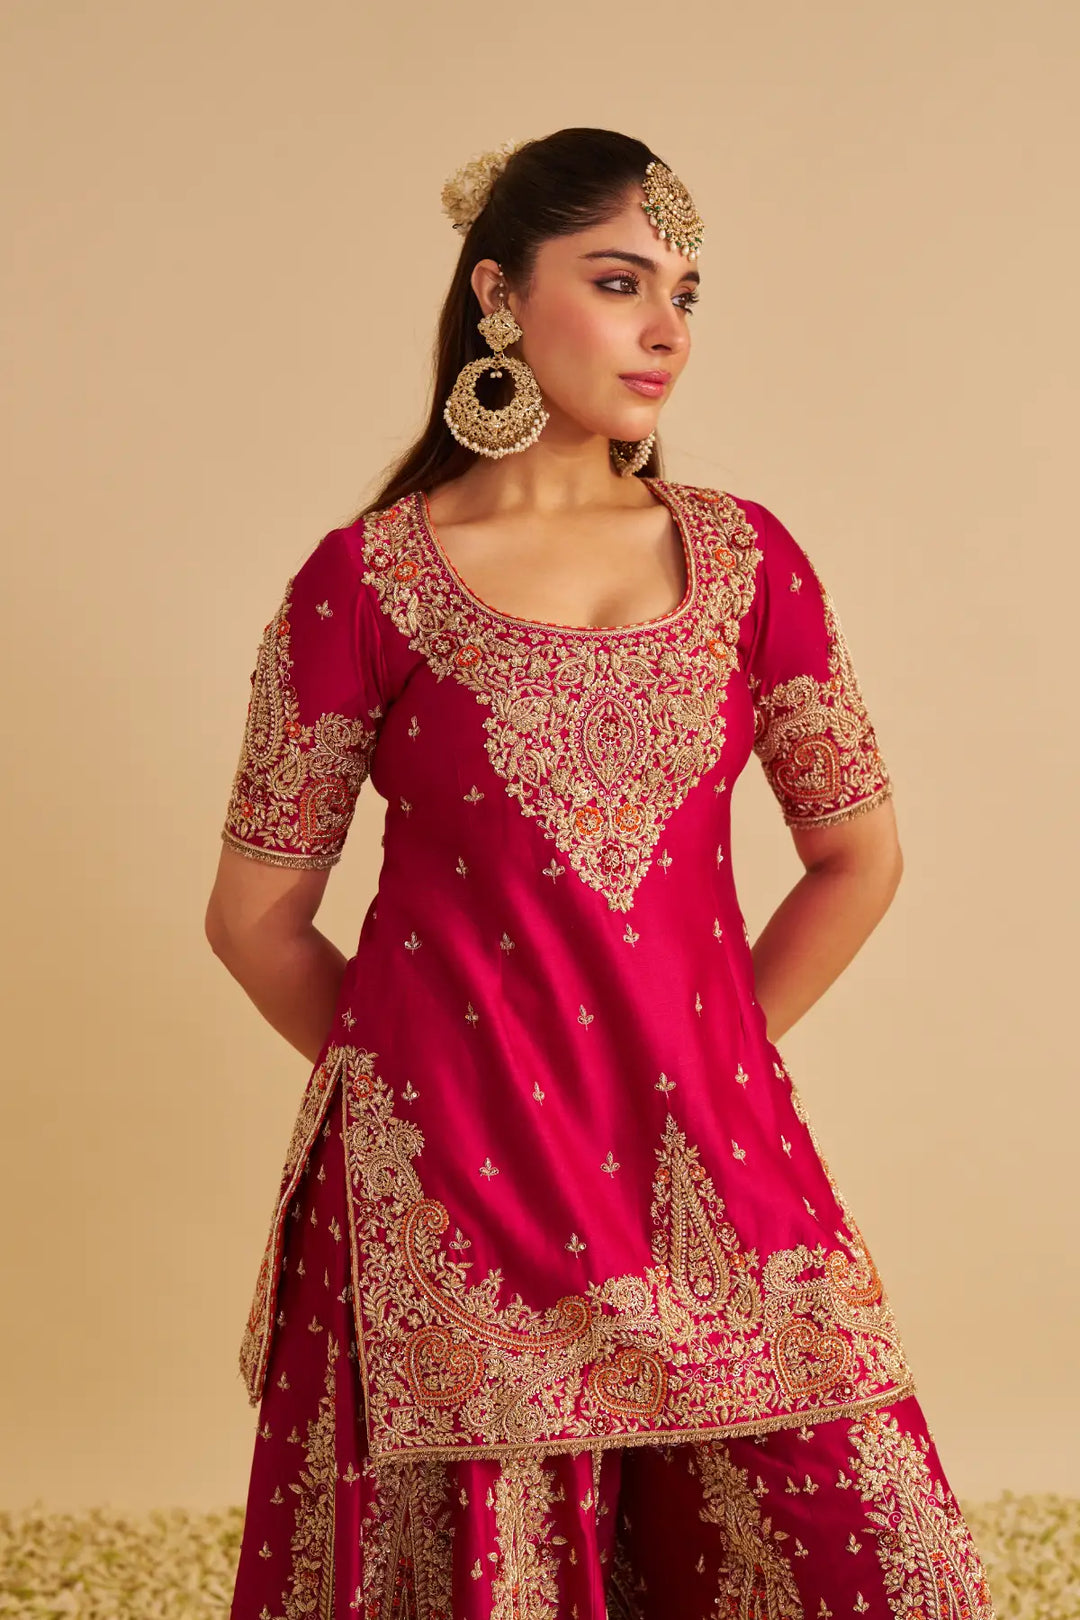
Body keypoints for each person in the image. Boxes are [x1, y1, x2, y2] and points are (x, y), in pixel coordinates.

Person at [206, 128, 996, 1620]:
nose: (665, 331)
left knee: (879, 1562)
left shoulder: (749, 561)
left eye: (686, 294)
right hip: (450, 1205)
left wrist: (706, 1059)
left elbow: (856, 857)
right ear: (500, 296)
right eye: (623, 281)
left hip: (708, 1160)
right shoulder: (364, 582)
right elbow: (254, 916)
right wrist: (439, 1092)